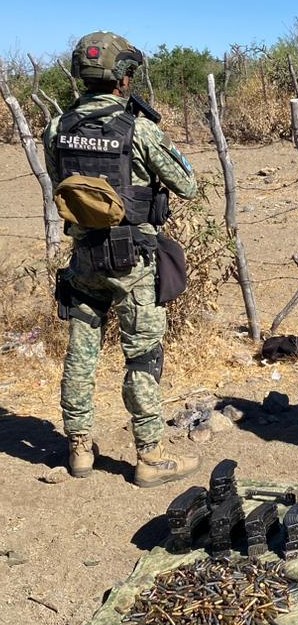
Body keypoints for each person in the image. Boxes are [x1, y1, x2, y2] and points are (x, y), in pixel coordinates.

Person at [43, 31, 201, 487]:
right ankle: (149, 455)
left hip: (84, 259)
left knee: (81, 354)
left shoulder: (58, 127)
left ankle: (78, 449)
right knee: (144, 355)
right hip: (133, 263)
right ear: (123, 78)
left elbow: (62, 184)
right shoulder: (139, 129)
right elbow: (186, 184)